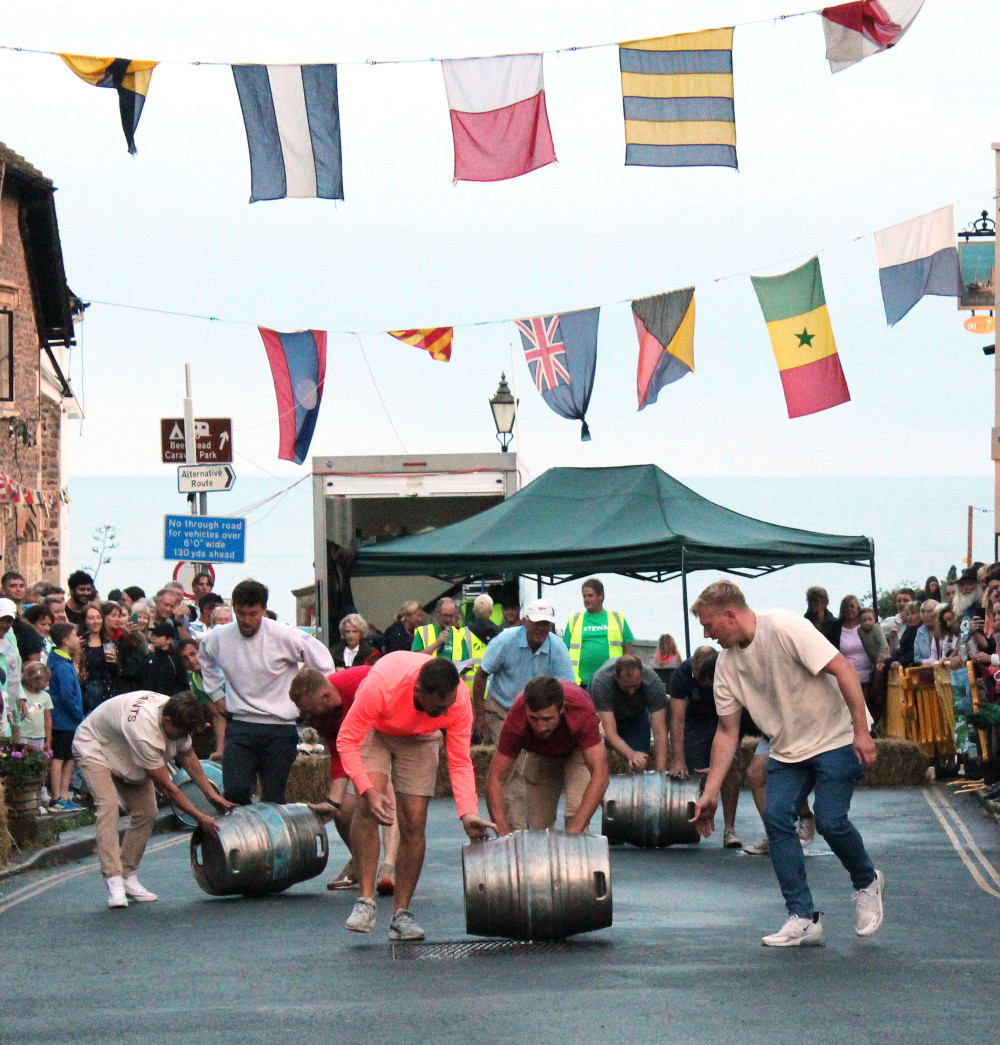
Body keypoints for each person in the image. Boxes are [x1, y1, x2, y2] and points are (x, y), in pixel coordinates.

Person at [690, 581, 882, 947]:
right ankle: (803, 918)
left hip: (836, 736)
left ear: (730, 615)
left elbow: (842, 668)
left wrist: (862, 730)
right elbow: (727, 732)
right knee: (776, 818)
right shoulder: (726, 667)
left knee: (829, 820)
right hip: (788, 748)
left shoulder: (783, 626)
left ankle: (867, 881)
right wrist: (711, 792)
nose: (707, 634)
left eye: (708, 625)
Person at [336, 652, 496, 940]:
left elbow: (459, 760)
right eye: (439, 707)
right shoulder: (382, 685)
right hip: (377, 727)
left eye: (449, 706)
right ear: (419, 692)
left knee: (414, 820)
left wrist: (468, 811)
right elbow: (346, 740)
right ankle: (365, 900)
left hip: (421, 737)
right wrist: (368, 789)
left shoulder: (457, 700)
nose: (447, 714)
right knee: (368, 806)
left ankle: (401, 914)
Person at [72, 690, 237, 908]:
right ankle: (114, 881)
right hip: (96, 747)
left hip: (125, 751)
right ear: (166, 720)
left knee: (147, 812)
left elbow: (187, 755)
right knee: (109, 808)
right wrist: (199, 816)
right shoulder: (144, 732)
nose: (182, 737)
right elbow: (168, 789)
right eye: (179, 732)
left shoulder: (177, 712)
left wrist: (212, 794)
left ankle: (127, 875)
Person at [199, 579, 334, 805]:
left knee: (274, 796)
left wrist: (311, 703)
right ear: (234, 610)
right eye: (241, 613)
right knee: (235, 790)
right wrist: (216, 694)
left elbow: (324, 664)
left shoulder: (285, 636)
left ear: (263, 610)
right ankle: (240, 838)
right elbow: (205, 658)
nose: (246, 620)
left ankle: (273, 839)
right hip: (241, 724)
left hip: (279, 727)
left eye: (253, 613)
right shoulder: (219, 637)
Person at [289, 666, 400, 895]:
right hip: (356, 744)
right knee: (344, 810)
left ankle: (389, 866)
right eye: (303, 712)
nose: (306, 718)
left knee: (384, 788)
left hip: (390, 727)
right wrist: (333, 802)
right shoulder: (320, 714)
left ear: (327, 697)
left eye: (309, 710)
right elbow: (338, 751)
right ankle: (362, 864)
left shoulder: (360, 684)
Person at [470, 600, 575, 829]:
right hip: (503, 710)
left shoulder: (557, 648)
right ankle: (519, 831)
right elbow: (481, 676)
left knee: (534, 767)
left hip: (536, 715)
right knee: (514, 767)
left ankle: (531, 823)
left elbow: (568, 690)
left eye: (545, 624)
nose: (540, 629)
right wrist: (479, 717)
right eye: (536, 623)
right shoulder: (504, 642)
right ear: (524, 621)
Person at [485, 675, 609, 835]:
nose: (540, 727)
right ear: (527, 709)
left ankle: (574, 854)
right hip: (541, 752)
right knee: (539, 827)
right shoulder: (517, 718)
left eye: (547, 719)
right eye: (534, 719)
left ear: (562, 708)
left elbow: (600, 774)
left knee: (576, 813)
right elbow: (495, 778)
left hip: (579, 749)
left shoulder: (582, 712)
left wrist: (574, 832)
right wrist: (501, 833)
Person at [669, 646, 746, 849]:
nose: (704, 683)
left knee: (728, 768)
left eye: (707, 679)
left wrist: (725, 759)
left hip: (726, 717)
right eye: (699, 678)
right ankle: (697, 820)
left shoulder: (730, 669)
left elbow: (741, 715)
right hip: (695, 721)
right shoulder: (682, 674)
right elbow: (677, 721)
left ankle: (730, 829)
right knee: (696, 771)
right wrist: (678, 759)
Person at [589, 654, 668, 773]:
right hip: (605, 716)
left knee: (639, 764)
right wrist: (631, 754)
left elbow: (660, 732)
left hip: (636, 716)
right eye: (627, 686)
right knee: (599, 763)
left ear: (642, 674)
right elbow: (609, 733)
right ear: (616, 677)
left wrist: (661, 772)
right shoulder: (601, 683)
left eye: (635, 685)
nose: (631, 691)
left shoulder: (653, 683)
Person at [563, 578, 634, 686]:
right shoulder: (574, 620)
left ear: (601, 596)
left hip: (611, 682)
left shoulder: (617, 618)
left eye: (590, 596)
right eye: (584, 596)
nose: (586, 600)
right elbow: (564, 651)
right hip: (581, 683)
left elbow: (628, 650)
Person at [47, 621, 84, 811]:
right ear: (66, 641)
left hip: (68, 721)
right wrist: (79, 714)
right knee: (60, 758)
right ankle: (57, 797)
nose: (78, 639)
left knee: (69, 758)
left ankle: (64, 795)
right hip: (64, 720)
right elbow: (67, 696)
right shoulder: (62, 667)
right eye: (75, 636)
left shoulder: (62, 663)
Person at [78, 604, 119, 714]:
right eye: (91, 618)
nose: (95, 621)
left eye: (98, 617)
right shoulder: (80, 642)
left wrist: (115, 662)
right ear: (85, 621)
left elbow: (117, 672)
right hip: (86, 693)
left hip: (106, 692)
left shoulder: (109, 642)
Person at [411, 597, 470, 663]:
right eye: (445, 616)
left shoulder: (459, 635)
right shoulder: (423, 632)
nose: (448, 619)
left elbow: (466, 663)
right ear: (437, 613)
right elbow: (415, 659)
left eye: (451, 616)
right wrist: (437, 643)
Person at [137, 623, 188, 696]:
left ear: (168, 640)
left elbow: (183, 685)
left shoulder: (175, 659)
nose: (153, 638)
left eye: (158, 636)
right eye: (153, 635)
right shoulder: (149, 657)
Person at [17, 661, 53, 756]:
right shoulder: (21, 694)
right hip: (23, 736)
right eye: (44, 681)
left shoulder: (46, 696)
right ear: (34, 680)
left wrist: (48, 740)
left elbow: (48, 719)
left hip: (39, 737)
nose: (47, 683)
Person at [465, 594, 502, 675]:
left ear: (473, 610)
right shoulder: (501, 635)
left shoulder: (462, 633)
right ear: (491, 611)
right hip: (492, 683)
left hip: (468, 684)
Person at [880, 587, 915, 655]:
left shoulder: (918, 623)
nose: (902, 604)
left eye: (905, 600)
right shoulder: (889, 622)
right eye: (899, 601)